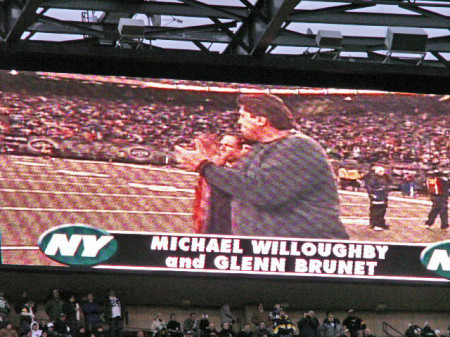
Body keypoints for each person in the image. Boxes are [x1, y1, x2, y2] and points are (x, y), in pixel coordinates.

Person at [176, 94, 349, 239]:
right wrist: (216, 164)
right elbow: (237, 186)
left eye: (243, 116)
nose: (238, 122)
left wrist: (205, 166)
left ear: (260, 120)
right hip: (274, 250)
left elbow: (264, 193)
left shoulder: (297, 146)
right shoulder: (263, 148)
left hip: (304, 251)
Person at [192, 134, 248, 234]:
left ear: (241, 150)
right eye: (221, 145)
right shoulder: (217, 169)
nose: (222, 148)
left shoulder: (245, 172)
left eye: (228, 146)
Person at [363, 165, 391, 231]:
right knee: (376, 211)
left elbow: (388, 184)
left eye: (383, 171)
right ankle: (375, 224)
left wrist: (386, 190)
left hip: (383, 197)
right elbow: (370, 187)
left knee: (382, 211)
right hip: (376, 196)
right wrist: (373, 194)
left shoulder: (385, 178)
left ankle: (381, 223)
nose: (382, 173)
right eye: (380, 171)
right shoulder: (373, 178)